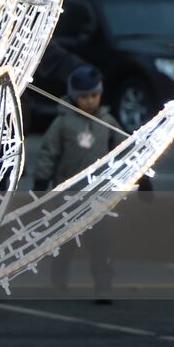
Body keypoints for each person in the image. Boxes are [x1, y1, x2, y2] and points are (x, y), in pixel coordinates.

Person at [33, 64, 118, 302]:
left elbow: (124, 148)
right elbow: (48, 153)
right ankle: (59, 274)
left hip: (98, 196)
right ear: (73, 96)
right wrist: (41, 182)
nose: (89, 101)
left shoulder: (107, 121)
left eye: (94, 95)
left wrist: (142, 179)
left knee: (100, 242)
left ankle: (103, 284)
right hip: (68, 195)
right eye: (83, 97)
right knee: (68, 239)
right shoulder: (63, 123)